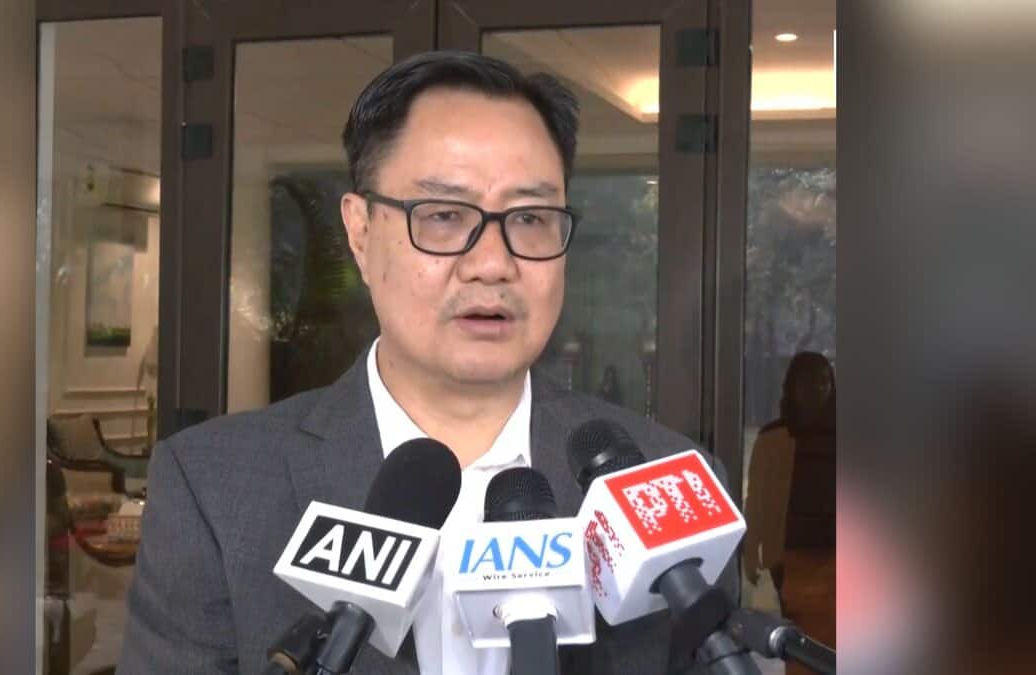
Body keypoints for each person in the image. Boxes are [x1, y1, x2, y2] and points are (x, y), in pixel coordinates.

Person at [118, 50, 735, 675]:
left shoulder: (668, 484)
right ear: (360, 233)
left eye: (529, 218)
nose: (492, 263)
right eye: (443, 216)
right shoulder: (215, 488)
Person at [742, 351, 837, 666]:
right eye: (808, 380)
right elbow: (757, 497)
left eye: (824, 380)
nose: (817, 387)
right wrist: (750, 551)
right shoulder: (773, 438)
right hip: (788, 555)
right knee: (799, 646)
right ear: (793, 386)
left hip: (835, 556)